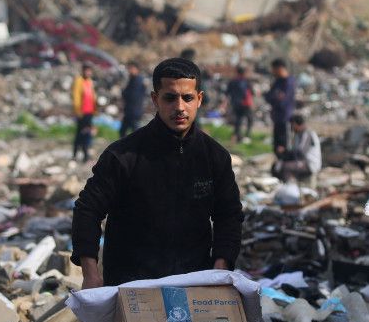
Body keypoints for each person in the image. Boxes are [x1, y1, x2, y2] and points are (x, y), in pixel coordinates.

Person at [72, 57, 243, 289]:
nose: (180, 107)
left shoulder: (214, 157)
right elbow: (88, 210)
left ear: (199, 99)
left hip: (193, 284)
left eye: (188, 98)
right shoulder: (123, 156)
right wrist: (90, 274)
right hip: (131, 286)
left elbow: (229, 215)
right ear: (155, 99)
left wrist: (220, 269)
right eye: (170, 98)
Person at [276, 114, 321, 187]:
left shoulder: (308, 134)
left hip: (310, 163)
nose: (292, 127)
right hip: (302, 162)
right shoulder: (298, 135)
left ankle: (288, 188)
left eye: (292, 125)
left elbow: (301, 152)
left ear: (296, 124)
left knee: (286, 167)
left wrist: (285, 151)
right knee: (278, 165)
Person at [264, 59, 296, 155]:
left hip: (285, 117)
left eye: (274, 69)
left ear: (280, 68)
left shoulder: (289, 82)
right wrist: (276, 97)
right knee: (276, 146)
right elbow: (268, 97)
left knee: (284, 146)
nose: (272, 72)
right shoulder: (277, 82)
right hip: (276, 118)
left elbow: (283, 100)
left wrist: (276, 98)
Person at [71, 64, 97, 161]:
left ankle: (84, 155)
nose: (88, 73)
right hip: (82, 112)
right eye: (87, 71)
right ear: (83, 71)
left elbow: (92, 96)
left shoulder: (90, 82)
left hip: (89, 112)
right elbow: (76, 97)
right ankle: (77, 154)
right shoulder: (79, 81)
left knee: (86, 133)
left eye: (90, 71)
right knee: (81, 133)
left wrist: (95, 109)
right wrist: (78, 111)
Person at [224, 66, 255, 143]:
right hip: (246, 104)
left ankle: (238, 136)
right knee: (250, 119)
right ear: (244, 73)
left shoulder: (232, 81)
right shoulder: (246, 81)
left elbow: (227, 92)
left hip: (236, 104)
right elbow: (252, 92)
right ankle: (247, 135)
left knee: (238, 120)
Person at [118, 62, 146, 139]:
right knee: (123, 132)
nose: (129, 70)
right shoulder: (132, 80)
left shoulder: (138, 81)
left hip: (134, 111)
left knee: (135, 133)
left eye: (131, 68)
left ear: (136, 69)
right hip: (129, 111)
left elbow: (133, 96)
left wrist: (124, 92)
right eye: (129, 68)